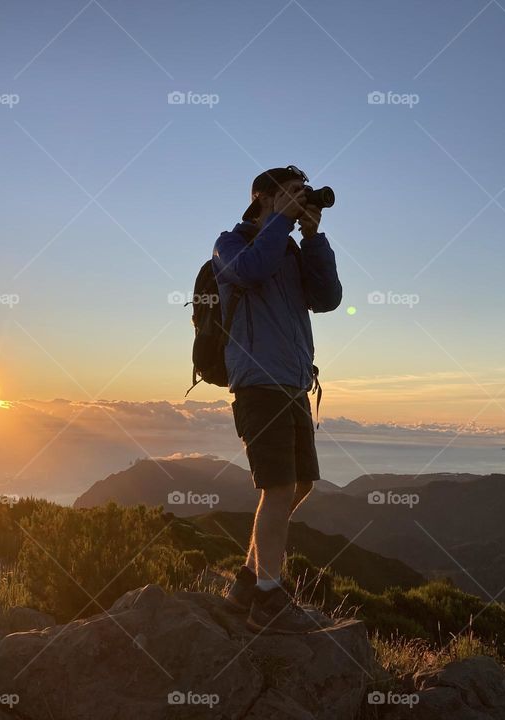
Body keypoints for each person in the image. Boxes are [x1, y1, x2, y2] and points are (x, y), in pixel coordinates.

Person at [212, 165, 342, 633]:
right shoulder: (233, 243)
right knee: (279, 487)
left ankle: (248, 579)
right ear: (264, 197)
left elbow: (327, 298)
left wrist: (313, 238)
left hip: (293, 385)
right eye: (289, 193)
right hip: (257, 384)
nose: (298, 199)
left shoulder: (289, 249)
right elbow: (247, 272)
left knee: (302, 482)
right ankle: (268, 597)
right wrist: (282, 223)